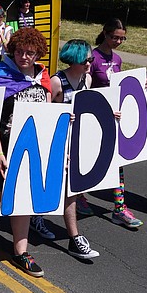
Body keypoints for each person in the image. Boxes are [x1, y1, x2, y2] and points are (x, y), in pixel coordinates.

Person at [0, 28, 52, 277]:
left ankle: (20, 252)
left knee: (22, 198)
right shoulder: (0, 74)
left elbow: (47, 111)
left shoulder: (43, 76)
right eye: (19, 51)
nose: (24, 56)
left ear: (38, 54)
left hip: (31, 145)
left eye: (30, 53)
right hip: (3, 145)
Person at [83, 19, 143, 228]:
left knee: (117, 163)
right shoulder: (92, 57)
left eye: (122, 38)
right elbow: (85, 87)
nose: (118, 41)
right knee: (88, 161)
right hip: (94, 118)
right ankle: (79, 196)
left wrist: (138, 84)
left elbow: (122, 86)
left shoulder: (117, 59)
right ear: (105, 34)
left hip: (114, 117)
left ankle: (119, 208)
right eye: (114, 37)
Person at [47, 39, 101, 259]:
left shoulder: (87, 78)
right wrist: (60, 117)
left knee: (72, 189)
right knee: (50, 184)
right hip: (57, 142)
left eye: (91, 59)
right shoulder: (56, 82)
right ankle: (40, 220)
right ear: (74, 60)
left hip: (77, 142)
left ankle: (73, 237)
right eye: (86, 59)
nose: (90, 63)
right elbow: (42, 114)